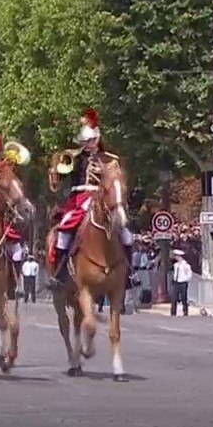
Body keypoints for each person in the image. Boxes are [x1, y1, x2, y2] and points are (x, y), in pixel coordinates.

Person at [49, 108, 135, 290]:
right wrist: (56, 171)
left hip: (101, 197)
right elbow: (59, 180)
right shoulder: (74, 157)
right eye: (84, 141)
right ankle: (60, 271)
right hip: (79, 199)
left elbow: (116, 182)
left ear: (97, 139)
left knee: (126, 235)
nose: (87, 144)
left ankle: (129, 273)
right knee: (64, 231)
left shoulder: (110, 159)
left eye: (90, 141)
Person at [169, 249, 192, 317]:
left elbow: (189, 274)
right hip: (176, 282)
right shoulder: (175, 265)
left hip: (183, 283)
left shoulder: (186, 265)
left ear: (180, 257)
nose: (176, 258)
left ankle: (185, 312)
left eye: (177, 256)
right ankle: (173, 312)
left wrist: (186, 279)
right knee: (174, 298)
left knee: (183, 298)